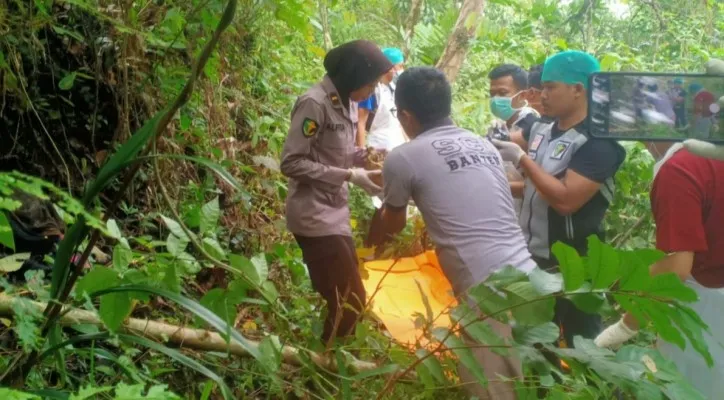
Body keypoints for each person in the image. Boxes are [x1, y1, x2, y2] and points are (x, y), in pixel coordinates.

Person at [370, 66, 537, 400]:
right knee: (527, 378)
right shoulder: (484, 145)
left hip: (486, 289)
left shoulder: (403, 157)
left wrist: (381, 197)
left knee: (492, 390)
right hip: (528, 274)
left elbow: (394, 224)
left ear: (405, 115)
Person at [595, 58, 724, 400]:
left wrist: (626, 323)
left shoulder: (679, 170)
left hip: (707, 307)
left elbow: (676, 268)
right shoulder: (714, 154)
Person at [492, 50, 626, 349]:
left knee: (584, 344)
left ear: (578, 90)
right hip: (535, 257)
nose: (543, 95)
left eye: (551, 87)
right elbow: (536, 189)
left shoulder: (597, 143)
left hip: (575, 263)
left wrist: (523, 161)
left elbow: (565, 200)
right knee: (536, 342)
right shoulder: (541, 129)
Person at [280, 40, 392, 344]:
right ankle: (328, 361)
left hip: (334, 213)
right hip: (313, 216)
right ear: (353, 76)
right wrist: (349, 175)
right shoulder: (314, 104)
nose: (371, 92)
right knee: (350, 298)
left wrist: (363, 155)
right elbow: (292, 162)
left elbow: (334, 151)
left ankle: (329, 352)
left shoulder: (348, 102)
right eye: (369, 84)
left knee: (344, 295)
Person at [357, 47, 407, 149]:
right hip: (377, 148)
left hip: (398, 146)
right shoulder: (371, 90)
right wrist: (361, 152)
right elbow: (360, 122)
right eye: (400, 66)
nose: (402, 70)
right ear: (389, 67)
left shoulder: (394, 88)